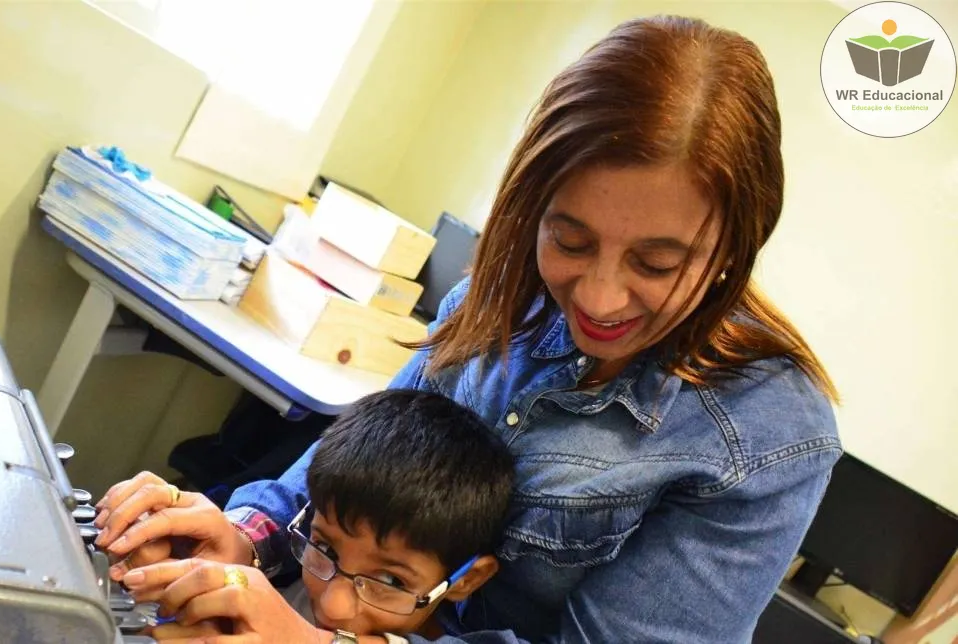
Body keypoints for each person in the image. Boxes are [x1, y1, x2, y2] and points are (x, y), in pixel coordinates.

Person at [93, 14, 842, 643]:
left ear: (735, 246)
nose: (600, 295)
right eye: (569, 240)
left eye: (656, 262)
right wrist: (246, 537)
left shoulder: (767, 437)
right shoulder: (496, 298)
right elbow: (355, 462)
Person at [117, 390, 514, 641]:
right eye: (324, 547)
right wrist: (175, 578)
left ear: (468, 580)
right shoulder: (288, 583)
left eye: (390, 580)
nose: (335, 605)